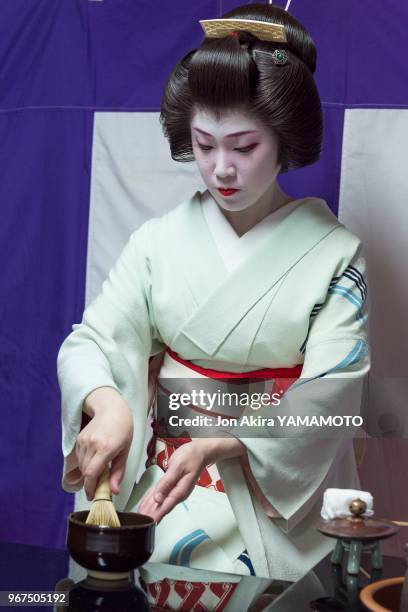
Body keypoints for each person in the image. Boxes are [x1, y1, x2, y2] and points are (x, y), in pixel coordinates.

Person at [58, 3, 370, 607]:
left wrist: (228, 438)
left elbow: (334, 399)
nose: (221, 168)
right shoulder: (158, 243)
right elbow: (93, 342)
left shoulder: (337, 255)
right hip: (168, 490)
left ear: (285, 141)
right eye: (204, 144)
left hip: (278, 503)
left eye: (244, 145)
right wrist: (110, 405)